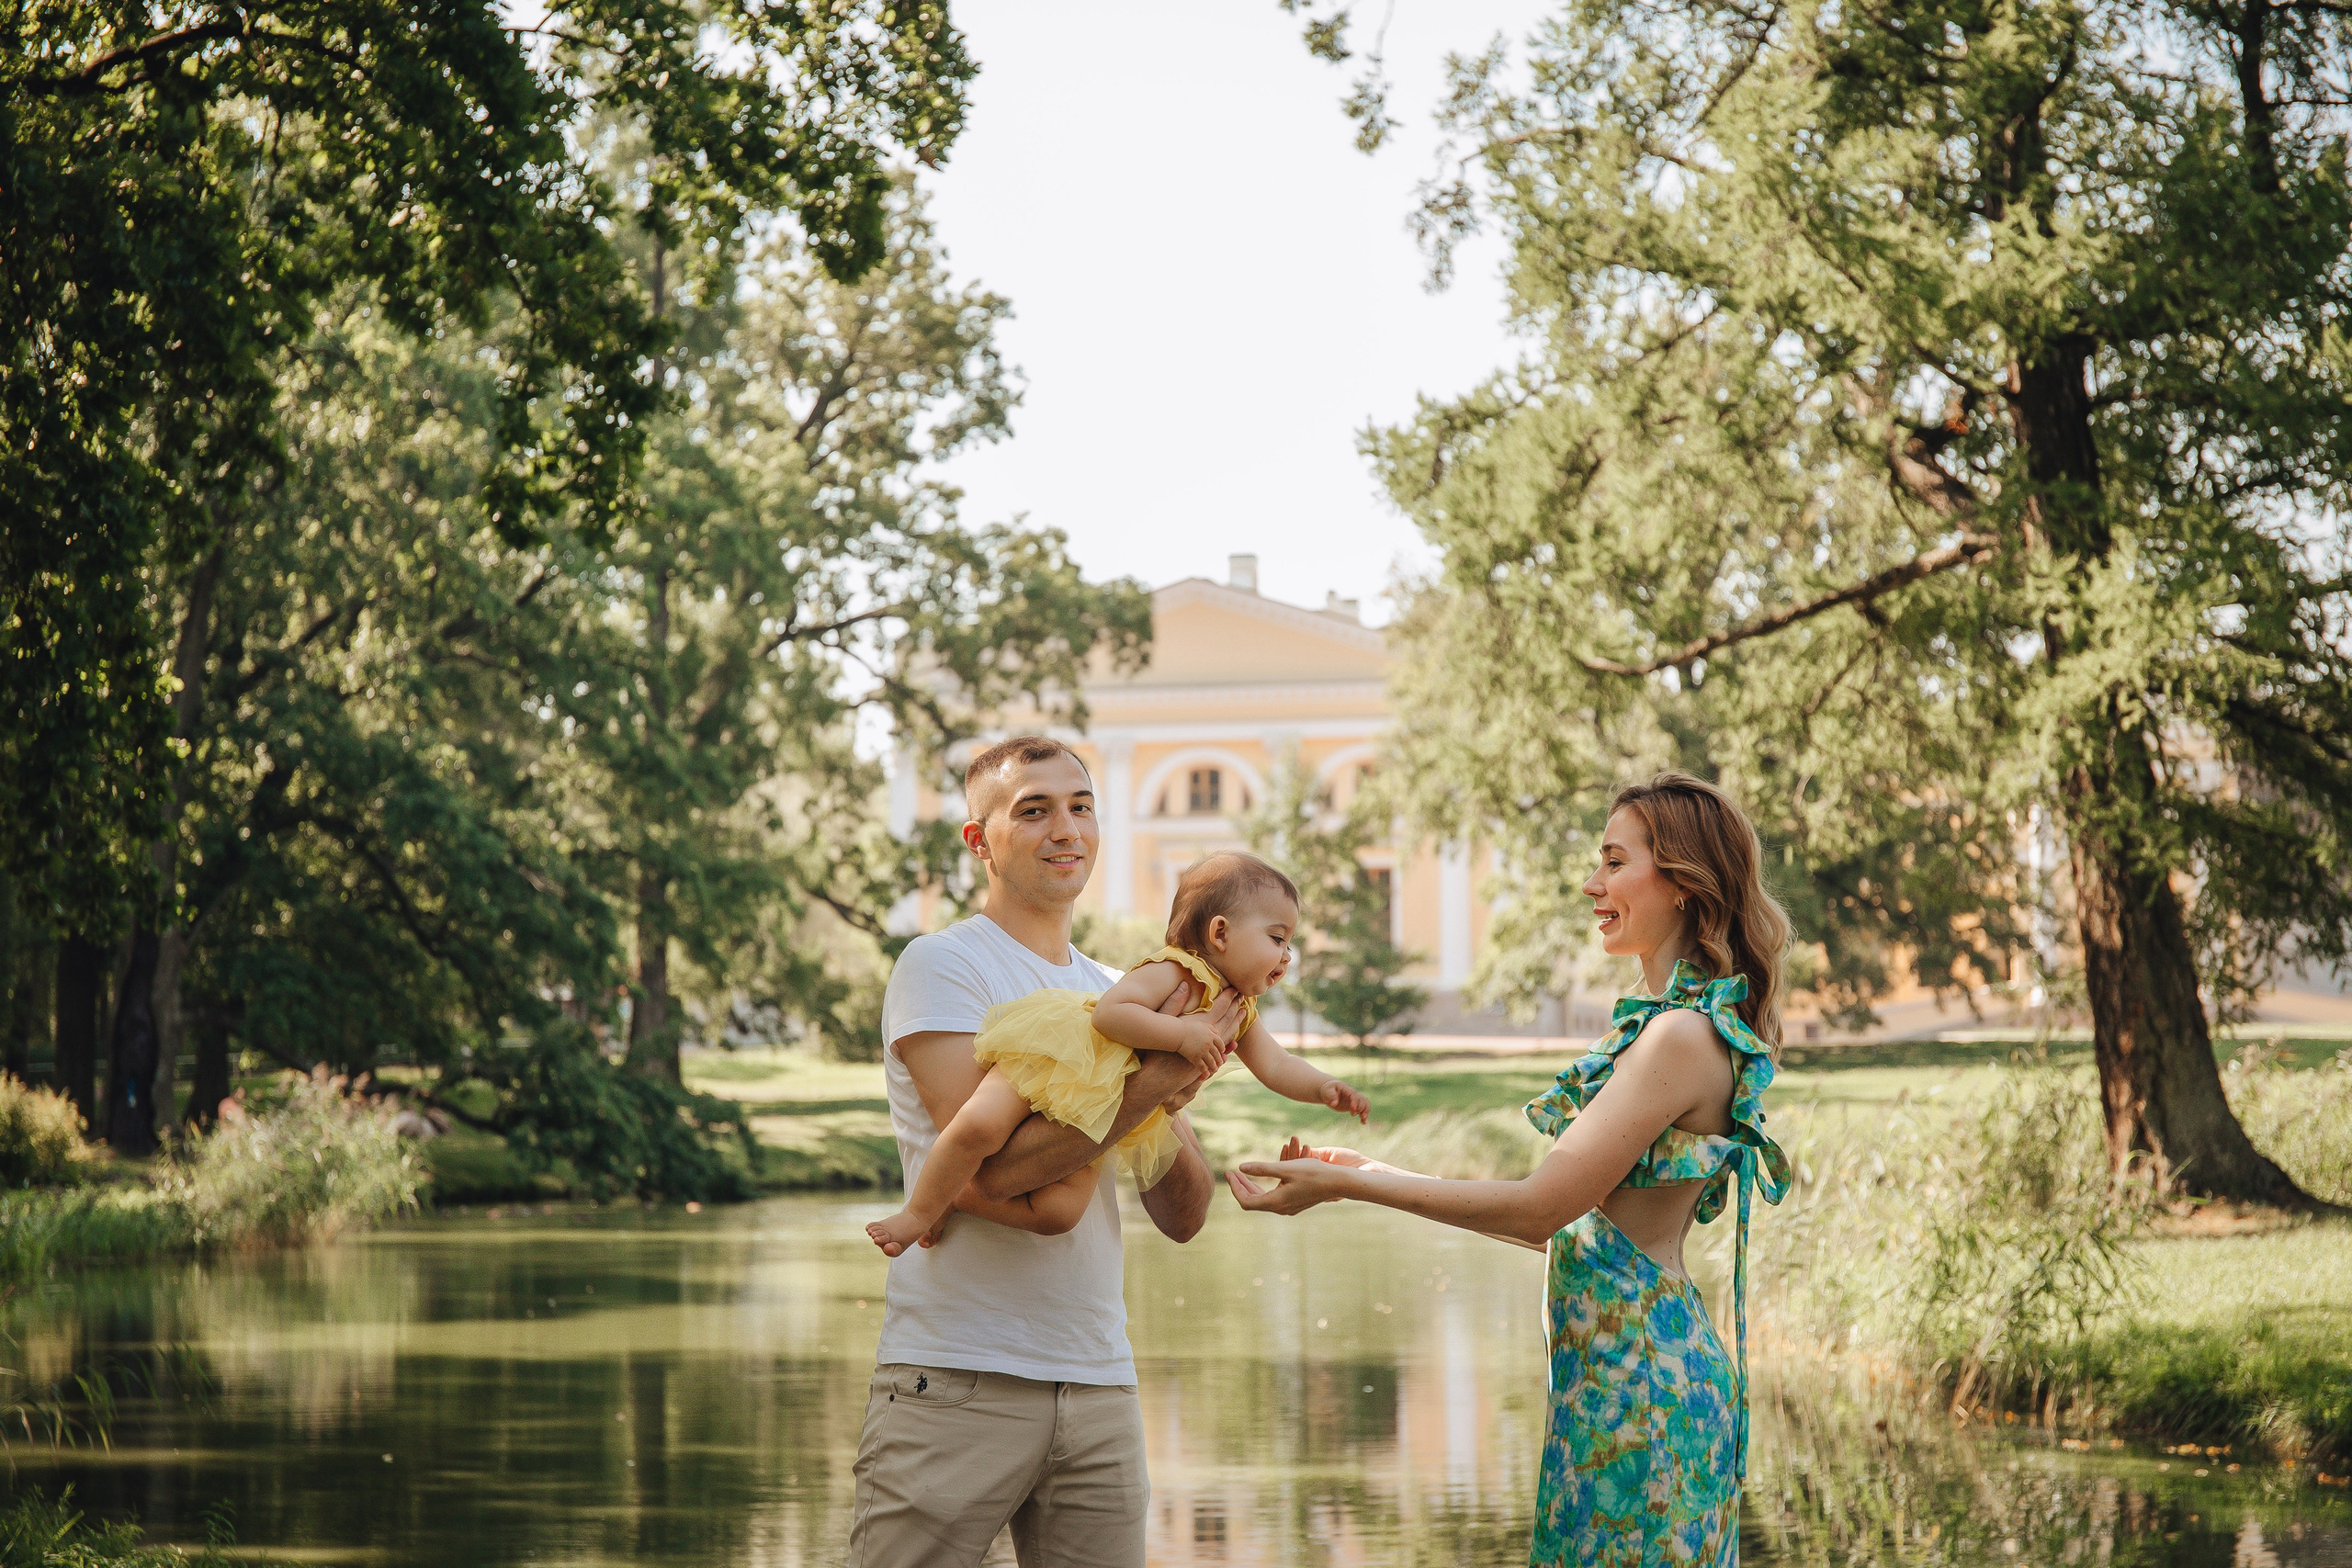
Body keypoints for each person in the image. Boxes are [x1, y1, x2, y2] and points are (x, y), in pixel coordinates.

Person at [1228, 772, 1793, 1568]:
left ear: (1682, 883)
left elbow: (1540, 1208)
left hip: (1644, 1390)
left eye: (1614, 861)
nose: (1592, 883)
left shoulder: (1678, 1040)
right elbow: (1586, 1236)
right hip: (1619, 1382)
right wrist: (1370, 1168)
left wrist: (1353, 1183)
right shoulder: (1678, 1029)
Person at [850, 736, 1227, 1568]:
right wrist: (1143, 1081)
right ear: (979, 841)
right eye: (1035, 810)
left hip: (1099, 1382)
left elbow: (1186, 1214)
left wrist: (1175, 1081)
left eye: (1081, 806)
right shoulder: (942, 965)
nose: (1068, 829)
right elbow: (991, 1166)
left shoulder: (1127, 993)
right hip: (956, 1377)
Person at [865, 852, 1371, 1256]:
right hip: (1059, 1061)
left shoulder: (1240, 1007)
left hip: (1101, 1099)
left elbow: (1278, 1066)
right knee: (979, 1128)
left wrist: (1324, 1088)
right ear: (1219, 933)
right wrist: (1179, 1042)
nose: (1287, 955)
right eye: (1278, 938)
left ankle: (952, 1197)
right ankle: (918, 1210)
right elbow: (1111, 1014)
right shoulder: (1173, 971)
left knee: (1060, 1213)